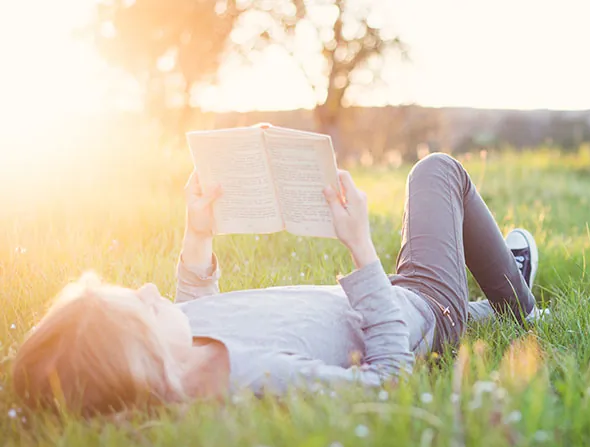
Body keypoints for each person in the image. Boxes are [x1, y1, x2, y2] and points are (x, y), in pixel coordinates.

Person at [11, 153, 540, 415]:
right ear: (149, 365)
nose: (150, 293)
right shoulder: (252, 377)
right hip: (419, 311)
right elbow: (390, 382)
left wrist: (197, 236)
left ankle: (487, 303)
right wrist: (359, 246)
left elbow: (196, 314)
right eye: (144, 310)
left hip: (374, 300)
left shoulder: (185, 352)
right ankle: (516, 301)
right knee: (437, 171)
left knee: (435, 262)